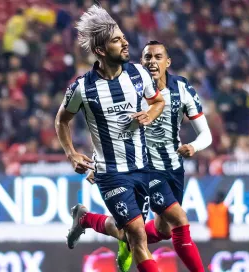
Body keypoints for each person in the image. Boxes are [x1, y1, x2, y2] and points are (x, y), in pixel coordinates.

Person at [55, 6, 165, 272]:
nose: (126, 43)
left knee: (132, 234)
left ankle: (85, 219)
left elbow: (158, 101)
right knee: (138, 235)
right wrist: (71, 154)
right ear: (102, 51)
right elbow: (62, 121)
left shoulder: (139, 74)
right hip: (110, 172)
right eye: (117, 40)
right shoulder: (83, 87)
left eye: (123, 37)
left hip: (143, 166)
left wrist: (150, 114)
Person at [86, 41, 211, 272]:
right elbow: (106, 129)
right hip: (144, 169)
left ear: (168, 62)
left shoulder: (182, 88)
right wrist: (99, 164)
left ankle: (92, 222)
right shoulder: (130, 87)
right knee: (181, 221)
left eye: (157, 57)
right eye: (147, 58)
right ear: (141, 63)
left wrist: (194, 146)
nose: (152, 62)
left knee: (162, 231)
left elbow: (206, 135)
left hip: (174, 168)